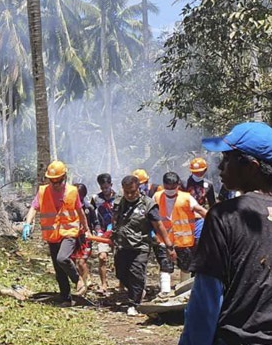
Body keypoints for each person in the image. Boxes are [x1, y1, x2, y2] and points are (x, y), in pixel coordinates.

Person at [180, 122, 272, 345]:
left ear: (251, 167)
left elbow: (206, 301)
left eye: (227, 159)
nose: (221, 167)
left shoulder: (225, 215)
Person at [23, 161, 91, 306]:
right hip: (53, 235)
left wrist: (86, 229)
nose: (55, 185)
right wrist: (27, 224)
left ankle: (78, 279)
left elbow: (80, 212)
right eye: (52, 181)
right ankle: (66, 298)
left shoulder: (72, 191)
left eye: (58, 181)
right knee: (58, 269)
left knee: (62, 258)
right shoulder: (43, 191)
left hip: (69, 232)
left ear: (64, 178)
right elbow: (34, 208)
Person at [112, 175, 176, 316]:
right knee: (121, 273)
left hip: (140, 246)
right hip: (122, 245)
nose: (129, 195)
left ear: (138, 189)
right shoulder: (118, 202)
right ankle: (138, 291)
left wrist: (168, 245)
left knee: (136, 274)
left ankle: (134, 303)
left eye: (132, 192)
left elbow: (158, 225)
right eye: (126, 192)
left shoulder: (148, 205)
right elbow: (115, 219)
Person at [151, 172, 207, 295]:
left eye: (173, 187)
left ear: (178, 185)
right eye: (167, 186)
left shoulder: (187, 198)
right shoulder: (157, 197)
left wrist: (215, 222)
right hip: (163, 239)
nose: (170, 190)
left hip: (183, 240)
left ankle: (184, 291)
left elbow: (201, 211)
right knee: (165, 266)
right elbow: (149, 215)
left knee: (186, 267)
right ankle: (165, 292)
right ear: (163, 184)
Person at [91, 173, 115, 294]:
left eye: (107, 187)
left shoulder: (119, 198)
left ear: (111, 185)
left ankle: (122, 284)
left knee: (120, 258)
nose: (105, 190)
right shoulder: (96, 199)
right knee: (102, 257)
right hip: (102, 233)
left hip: (117, 232)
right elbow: (90, 214)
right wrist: (97, 229)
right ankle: (103, 284)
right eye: (102, 188)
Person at [71, 183, 95, 291]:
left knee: (81, 262)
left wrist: (97, 232)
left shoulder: (89, 208)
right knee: (71, 261)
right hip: (72, 237)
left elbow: (95, 222)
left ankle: (87, 283)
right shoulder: (68, 206)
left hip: (85, 239)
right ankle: (79, 281)